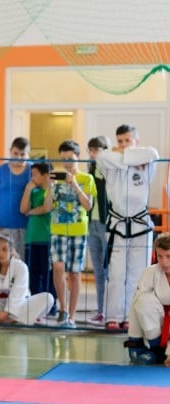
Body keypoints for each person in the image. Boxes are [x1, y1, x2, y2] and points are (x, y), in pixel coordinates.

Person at [95, 124, 160, 332]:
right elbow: (101, 157)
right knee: (116, 274)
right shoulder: (108, 159)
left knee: (138, 274)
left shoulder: (147, 160)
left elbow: (153, 153)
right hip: (117, 223)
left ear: (136, 141)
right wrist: (128, 158)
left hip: (141, 223)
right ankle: (113, 316)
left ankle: (132, 316)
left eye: (128, 141)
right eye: (120, 142)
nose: (123, 145)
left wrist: (123, 157)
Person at [48, 140, 95, 329]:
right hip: (58, 229)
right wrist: (50, 187)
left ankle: (72, 316)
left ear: (78, 157)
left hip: (78, 230)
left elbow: (88, 205)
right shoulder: (55, 177)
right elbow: (48, 205)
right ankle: (63, 308)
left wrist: (74, 184)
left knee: (75, 274)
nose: (67, 162)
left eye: (71, 158)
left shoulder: (86, 179)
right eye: (63, 159)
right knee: (58, 267)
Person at [0, 235, 53, 326]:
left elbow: (18, 293)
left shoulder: (21, 267)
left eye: (4, 249)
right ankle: (6, 319)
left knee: (48, 298)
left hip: (17, 307)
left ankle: (10, 319)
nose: (0, 253)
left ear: (11, 250)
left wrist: (7, 313)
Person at [124, 232, 170, 366]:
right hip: (151, 336)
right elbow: (136, 307)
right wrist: (135, 342)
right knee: (143, 301)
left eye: (168, 256)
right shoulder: (150, 272)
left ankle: (163, 354)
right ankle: (156, 351)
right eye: (160, 256)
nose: (163, 262)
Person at [0, 137, 32, 253]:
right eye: (15, 153)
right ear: (10, 151)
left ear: (28, 154)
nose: (19, 157)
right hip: (3, 226)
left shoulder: (34, 170)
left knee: (24, 265)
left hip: (29, 225)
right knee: (4, 263)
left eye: (23, 154)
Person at [20, 161, 54, 310]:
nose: (32, 178)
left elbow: (47, 207)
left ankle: (50, 306)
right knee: (32, 274)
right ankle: (34, 306)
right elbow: (23, 209)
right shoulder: (33, 191)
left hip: (48, 238)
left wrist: (32, 211)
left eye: (35, 174)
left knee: (48, 274)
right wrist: (28, 190)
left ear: (45, 175)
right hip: (32, 238)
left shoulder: (52, 190)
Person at [85, 136, 112, 324]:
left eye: (97, 150)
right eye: (91, 150)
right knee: (98, 271)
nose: (93, 154)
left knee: (109, 268)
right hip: (91, 223)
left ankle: (114, 311)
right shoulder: (90, 171)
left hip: (106, 224)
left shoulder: (110, 170)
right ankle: (101, 310)